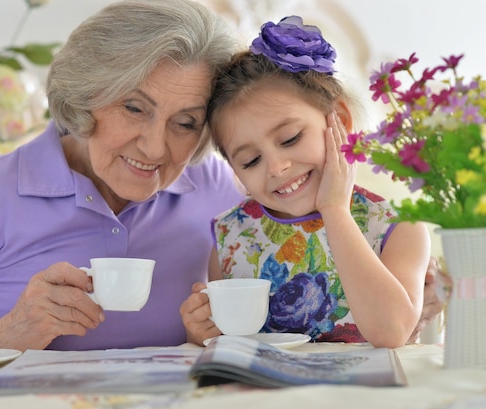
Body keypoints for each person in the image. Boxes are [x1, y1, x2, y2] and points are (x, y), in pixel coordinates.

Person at [0, 2, 441, 352]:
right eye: (133, 108)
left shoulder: (226, 193)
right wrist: (6, 334)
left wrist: (420, 288)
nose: (156, 146)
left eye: (186, 123)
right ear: (86, 96)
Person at [180, 16, 432, 348]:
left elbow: (391, 332)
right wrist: (200, 332)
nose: (277, 167)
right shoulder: (232, 239)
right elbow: (230, 347)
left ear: (339, 120)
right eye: (250, 160)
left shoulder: (396, 229)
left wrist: (335, 210)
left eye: (290, 138)